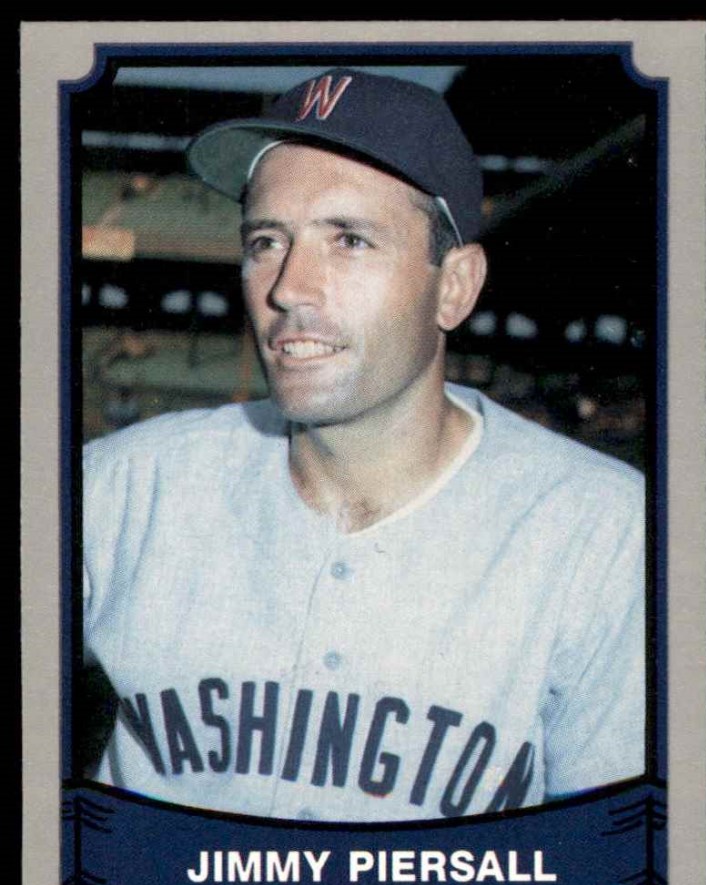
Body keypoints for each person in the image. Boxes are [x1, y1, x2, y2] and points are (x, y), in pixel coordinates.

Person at [83, 68, 645, 822]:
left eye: (348, 240)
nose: (287, 287)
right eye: (265, 241)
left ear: (455, 286)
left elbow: (609, 857)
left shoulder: (603, 532)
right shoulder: (120, 487)